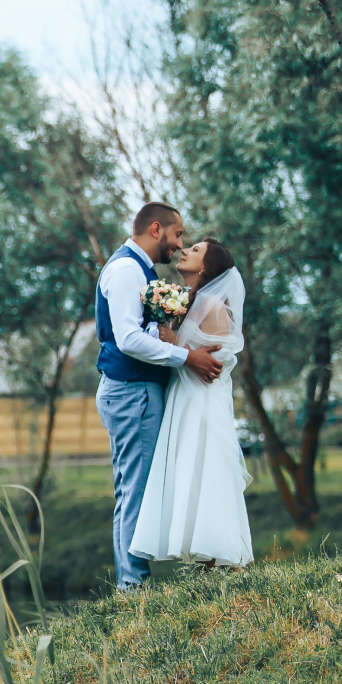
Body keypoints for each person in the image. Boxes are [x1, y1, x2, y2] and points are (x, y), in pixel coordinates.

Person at [95, 202, 224, 591]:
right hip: (131, 391)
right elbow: (128, 338)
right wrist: (187, 357)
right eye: (178, 234)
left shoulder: (140, 271)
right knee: (134, 489)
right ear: (156, 229)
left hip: (137, 391)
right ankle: (133, 588)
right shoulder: (124, 271)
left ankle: (133, 583)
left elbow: (142, 331)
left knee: (134, 487)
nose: (180, 244)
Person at [130, 239, 254, 569]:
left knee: (205, 469)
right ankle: (206, 559)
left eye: (196, 250)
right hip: (183, 395)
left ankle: (222, 553)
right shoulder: (190, 302)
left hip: (201, 400)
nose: (186, 251)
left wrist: (174, 341)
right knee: (190, 470)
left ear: (206, 267)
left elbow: (216, 359)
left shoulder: (212, 303)